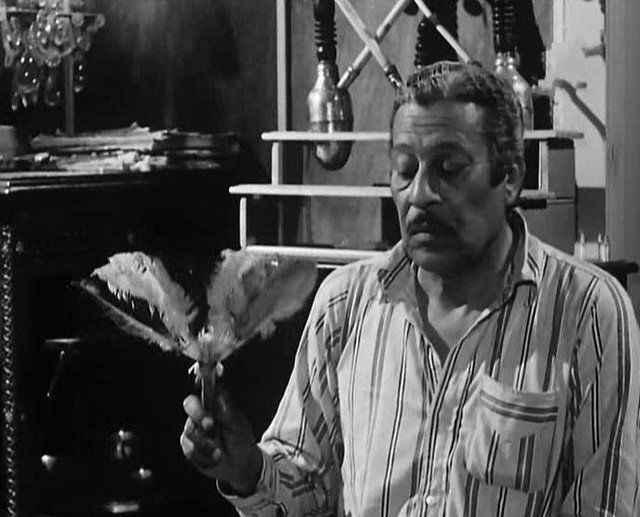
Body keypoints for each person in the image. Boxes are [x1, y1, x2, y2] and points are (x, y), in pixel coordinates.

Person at [180, 61, 640, 516]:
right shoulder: (346, 303)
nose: (420, 193)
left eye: (450, 169)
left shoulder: (586, 312)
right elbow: (306, 481)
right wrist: (247, 469)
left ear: (511, 177)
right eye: (405, 169)